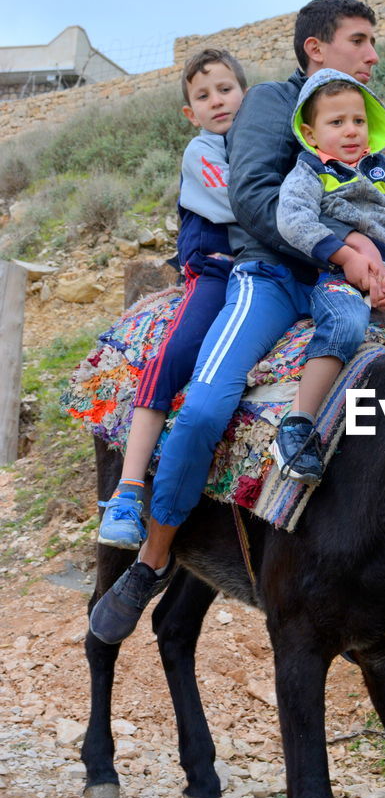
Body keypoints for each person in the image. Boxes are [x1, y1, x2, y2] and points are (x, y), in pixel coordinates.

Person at [89, 0, 379, 645]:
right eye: (359, 41)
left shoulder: (361, 120)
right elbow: (249, 196)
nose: (371, 55)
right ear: (316, 48)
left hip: (332, 280)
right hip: (267, 275)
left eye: (372, 43)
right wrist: (341, 245)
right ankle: (152, 552)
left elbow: (381, 200)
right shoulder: (268, 107)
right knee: (200, 408)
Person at [97, 47, 246, 548]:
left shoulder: (263, 147)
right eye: (203, 96)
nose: (217, 101)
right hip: (217, 273)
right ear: (191, 113)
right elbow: (238, 203)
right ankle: (128, 488)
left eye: (225, 89)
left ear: (244, 94)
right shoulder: (201, 153)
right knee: (177, 353)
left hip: (264, 274)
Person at [271, 68, 385, 483]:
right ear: (310, 131)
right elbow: (292, 219)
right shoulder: (309, 170)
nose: (351, 131)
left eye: (358, 121)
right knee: (346, 322)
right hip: (338, 276)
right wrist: (344, 255)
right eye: (336, 122)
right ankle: (298, 425)